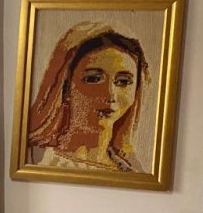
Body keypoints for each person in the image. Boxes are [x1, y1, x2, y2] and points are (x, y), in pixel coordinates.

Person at [28, 21, 149, 172]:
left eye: (123, 82)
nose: (110, 94)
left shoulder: (133, 171)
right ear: (65, 86)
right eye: (93, 79)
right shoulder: (34, 159)